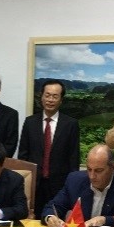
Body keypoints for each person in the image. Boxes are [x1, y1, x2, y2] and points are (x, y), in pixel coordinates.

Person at [18, 79, 79, 218]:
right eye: (47, 95)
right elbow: (23, 155)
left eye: (55, 96)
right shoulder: (30, 122)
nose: (50, 100)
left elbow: (73, 158)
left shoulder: (71, 124)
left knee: (56, 220)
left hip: (60, 186)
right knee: (33, 222)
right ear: (42, 97)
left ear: (61, 100)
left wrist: (71, 186)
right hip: (34, 184)